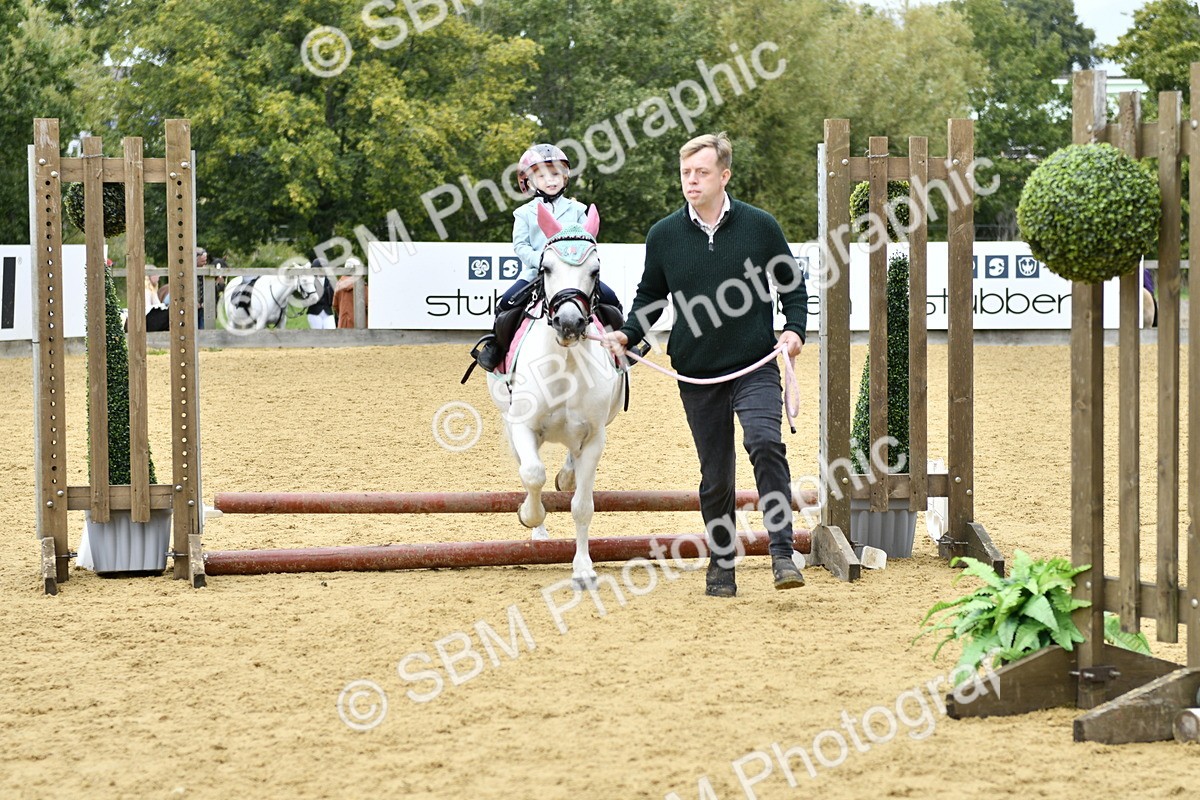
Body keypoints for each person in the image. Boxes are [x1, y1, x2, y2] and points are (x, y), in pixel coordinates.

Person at [603, 132, 807, 597]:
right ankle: (722, 563)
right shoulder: (664, 235)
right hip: (696, 371)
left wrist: (794, 328)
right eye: (685, 174)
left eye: (701, 173)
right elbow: (650, 297)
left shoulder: (760, 226)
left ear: (724, 175)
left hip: (755, 363)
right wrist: (628, 334)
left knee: (765, 444)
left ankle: (781, 552)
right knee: (715, 473)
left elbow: (792, 286)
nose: (691, 181)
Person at [471, 143, 623, 372]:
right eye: (541, 176)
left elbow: (587, 242)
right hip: (535, 274)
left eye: (555, 174)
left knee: (611, 299)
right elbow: (520, 246)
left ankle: (622, 347)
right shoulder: (523, 214)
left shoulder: (577, 210)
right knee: (506, 304)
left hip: (573, 274)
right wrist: (541, 260)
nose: (550, 180)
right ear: (529, 182)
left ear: (565, 178)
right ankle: (496, 349)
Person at [333, 257, 367, 328]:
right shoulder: (362, 286)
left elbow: (335, 305)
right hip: (360, 325)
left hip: (343, 324)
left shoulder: (338, 285)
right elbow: (368, 305)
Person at [305, 258, 336, 330]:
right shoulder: (311, 281)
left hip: (328, 311)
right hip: (314, 312)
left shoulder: (329, 281)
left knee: (332, 332)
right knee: (318, 336)